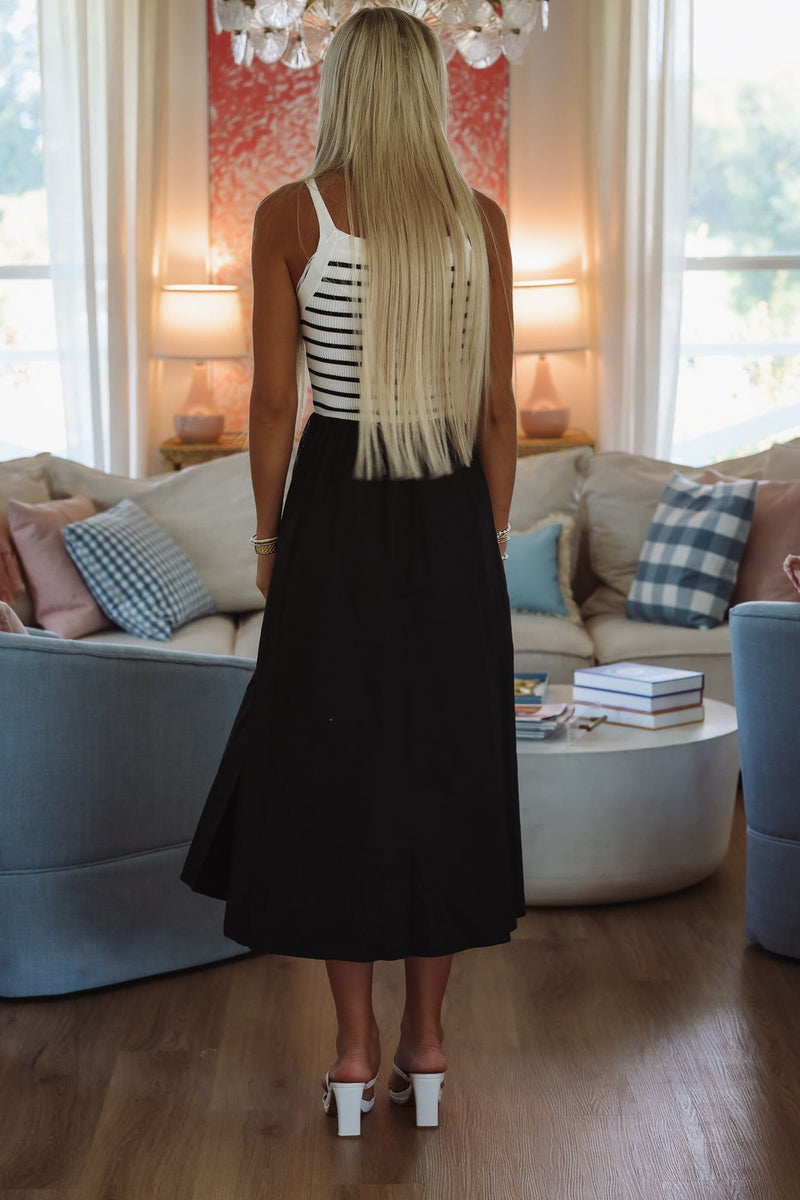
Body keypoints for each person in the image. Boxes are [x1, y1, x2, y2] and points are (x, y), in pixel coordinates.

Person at [180, 4, 526, 1137]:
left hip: (334, 510)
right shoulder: (480, 222)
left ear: (340, 91)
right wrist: (484, 549)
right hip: (447, 509)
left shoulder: (293, 214)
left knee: (337, 779)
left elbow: (273, 405)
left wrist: (269, 541)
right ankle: (427, 1048)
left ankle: (350, 1054)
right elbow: (496, 414)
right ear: (426, 91)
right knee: (444, 778)